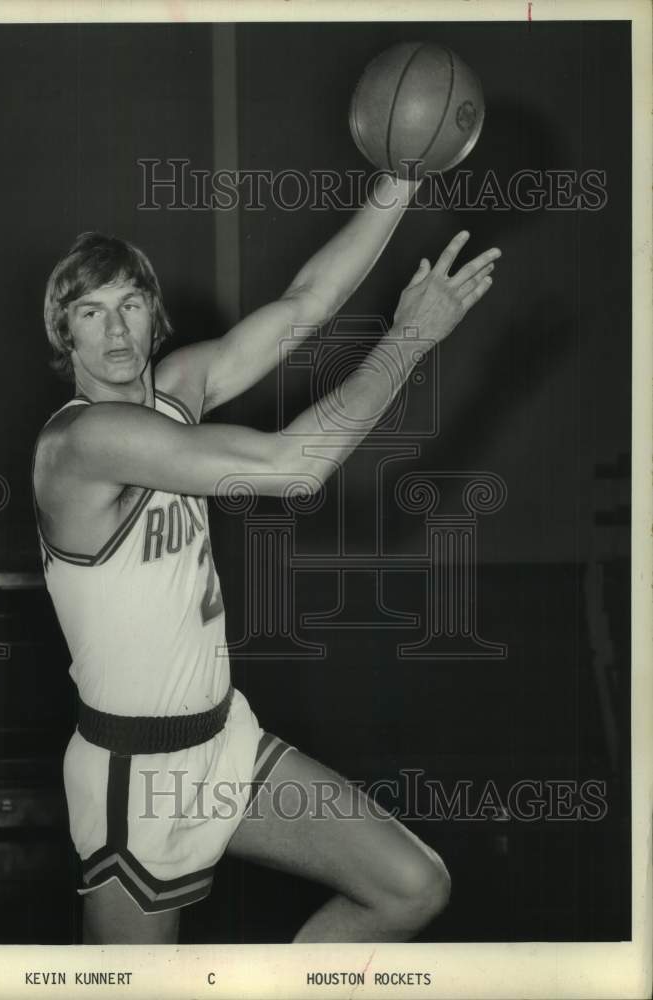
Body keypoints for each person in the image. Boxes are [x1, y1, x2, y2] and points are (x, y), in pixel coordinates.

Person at [32, 171, 500, 945]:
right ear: (65, 336)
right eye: (90, 313)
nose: (115, 333)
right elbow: (293, 467)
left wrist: (400, 180)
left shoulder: (176, 388)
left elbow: (305, 302)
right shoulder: (81, 443)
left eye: (130, 305)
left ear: (155, 319)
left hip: (222, 743)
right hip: (133, 775)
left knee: (409, 887)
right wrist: (410, 337)